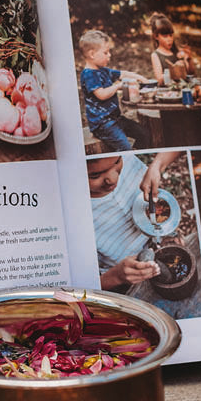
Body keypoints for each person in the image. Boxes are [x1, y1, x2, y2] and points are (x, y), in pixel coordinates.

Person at [87, 151, 180, 290]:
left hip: (159, 244)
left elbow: (177, 146)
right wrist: (115, 277)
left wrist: (157, 165)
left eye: (117, 162)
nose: (113, 179)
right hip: (123, 279)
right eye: (95, 175)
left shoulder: (128, 159)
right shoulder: (76, 217)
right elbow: (77, 289)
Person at [79, 30, 150, 152]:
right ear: (92, 54)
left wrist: (141, 78)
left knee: (143, 133)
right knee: (125, 147)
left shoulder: (104, 70)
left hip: (116, 119)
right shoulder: (89, 75)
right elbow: (101, 95)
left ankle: (138, 159)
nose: (110, 55)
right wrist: (118, 86)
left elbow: (123, 74)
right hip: (102, 125)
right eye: (106, 52)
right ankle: (126, 163)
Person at [149, 12, 195, 85]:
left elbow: (190, 73)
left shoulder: (177, 52)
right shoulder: (156, 55)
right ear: (156, 36)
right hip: (168, 92)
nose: (169, 39)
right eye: (165, 36)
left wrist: (189, 59)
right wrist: (175, 70)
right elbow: (160, 80)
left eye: (171, 35)